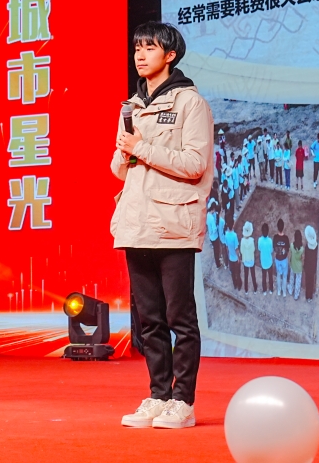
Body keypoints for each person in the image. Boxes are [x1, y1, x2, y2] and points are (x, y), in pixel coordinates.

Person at [112, 21, 213, 430]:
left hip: (174, 223)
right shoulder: (131, 106)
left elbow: (195, 163)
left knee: (180, 319)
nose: (140, 55)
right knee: (150, 320)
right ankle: (158, 396)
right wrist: (127, 152)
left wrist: (143, 148)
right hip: (135, 223)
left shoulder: (191, 103)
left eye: (149, 48)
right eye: (137, 48)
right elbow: (120, 169)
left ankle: (183, 401)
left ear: (170, 55)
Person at [274, 219, 290, 298]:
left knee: (278, 275)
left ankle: (279, 291)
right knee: (284, 276)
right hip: (284, 259)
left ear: (277, 227)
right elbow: (288, 249)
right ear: (283, 227)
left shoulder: (275, 237)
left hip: (277, 259)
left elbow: (274, 249)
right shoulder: (286, 238)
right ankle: (284, 292)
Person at [225, 216, 241, 291]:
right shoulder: (234, 235)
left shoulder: (226, 234)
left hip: (230, 257)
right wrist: (239, 258)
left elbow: (227, 247)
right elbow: (236, 248)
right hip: (235, 258)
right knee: (238, 272)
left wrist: (228, 255)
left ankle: (235, 285)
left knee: (233, 273)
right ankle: (239, 285)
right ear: (233, 225)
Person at [303, 225, 319, 302]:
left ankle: (307, 296)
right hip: (313, 267)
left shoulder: (307, 247)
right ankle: (310, 296)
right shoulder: (316, 246)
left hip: (307, 267)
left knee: (307, 281)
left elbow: (306, 258)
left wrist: (304, 266)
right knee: (312, 281)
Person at [258, 223, 274, 295]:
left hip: (263, 262)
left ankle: (264, 290)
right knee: (270, 276)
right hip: (269, 261)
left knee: (264, 276)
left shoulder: (259, 240)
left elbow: (259, 249)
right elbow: (271, 251)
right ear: (268, 231)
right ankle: (271, 289)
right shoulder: (270, 240)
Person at [241, 221, 257, 294]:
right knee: (253, 275)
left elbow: (241, 251)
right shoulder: (252, 241)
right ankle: (255, 289)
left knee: (246, 275)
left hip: (245, 260)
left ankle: (246, 290)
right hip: (251, 260)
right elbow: (253, 250)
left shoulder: (242, 241)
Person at [206, 201, 222, 269]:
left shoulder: (208, 215)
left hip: (210, 236)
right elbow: (214, 229)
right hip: (214, 236)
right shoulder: (212, 219)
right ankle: (218, 264)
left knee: (215, 250)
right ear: (213, 208)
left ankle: (218, 261)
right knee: (216, 251)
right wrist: (217, 226)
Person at [290, 229, 304, 300]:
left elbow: (291, 253)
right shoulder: (302, 249)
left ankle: (290, 290)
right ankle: (296, 295)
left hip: (293, 264)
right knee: (298, 281)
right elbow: (302, 258)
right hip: (299, 267)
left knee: (292, 278)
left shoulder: (291, 245)